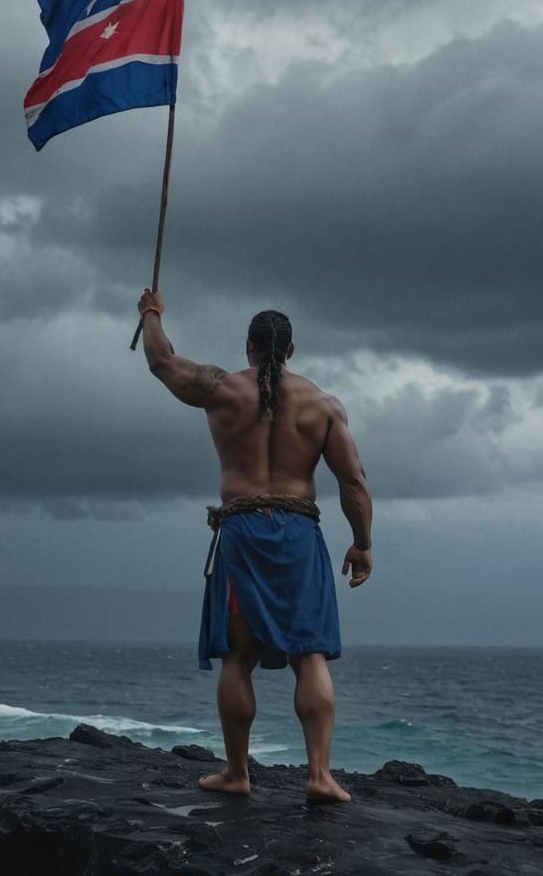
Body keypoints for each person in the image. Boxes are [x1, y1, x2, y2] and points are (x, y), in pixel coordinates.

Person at [138, 291, 372, 803]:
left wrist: (151, 313)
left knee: (237, 659)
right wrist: (362, 544)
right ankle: (319, 776)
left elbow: (161, 361)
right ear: (291, 351)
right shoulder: (324, 405)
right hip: (298, 534)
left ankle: (237, 773)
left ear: (248, 347)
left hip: (242, 533)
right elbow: (353, 482)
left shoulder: (221, 388)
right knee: (309, 655)